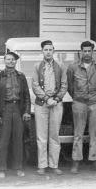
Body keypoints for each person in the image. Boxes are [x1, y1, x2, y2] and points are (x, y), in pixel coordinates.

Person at [0, 51, 31, 178]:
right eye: (8, 59)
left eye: (13, 59)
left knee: (18, 139)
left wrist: (27, 111)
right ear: (4, 61)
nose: (10, 61)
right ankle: (1, 168)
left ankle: (18, 167)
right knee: (3, 140)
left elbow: (27, 96)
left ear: (16, 61)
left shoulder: (21, 76)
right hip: (4, 109)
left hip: (17, 109)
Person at [67, 41, 96, 174]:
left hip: (94, 103)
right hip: (79, 103)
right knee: (78, 133)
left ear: (92, 52)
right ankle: (76, 162)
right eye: (85, 51)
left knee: (94, 133)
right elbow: (70, 87)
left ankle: (94, 160)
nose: (87, 53)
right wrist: (78, 97)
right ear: (81, 51)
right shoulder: (73, 67)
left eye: (89, 51)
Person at [32, 40, 67, 175]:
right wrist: (47, 99)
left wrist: (56, 99)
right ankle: (42, 165)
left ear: (53, 51)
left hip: (56, 104)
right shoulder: (37, 66)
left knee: (54, 136)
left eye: (50, 50)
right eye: (45, 50)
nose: (48, 52)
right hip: (41, 104)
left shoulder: (60, 66)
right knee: (41, 136)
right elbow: (35, 85)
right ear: (42, 51)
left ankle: (54, 165)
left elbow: (64, 85)